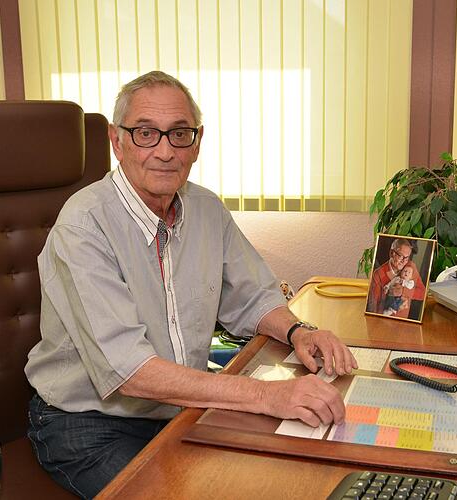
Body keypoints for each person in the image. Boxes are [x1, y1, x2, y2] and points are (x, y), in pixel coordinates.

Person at [24, 70, 357, 498]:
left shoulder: (206, 208)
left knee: (284, 478)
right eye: (146, 133)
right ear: (117, 141)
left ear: (197, 144)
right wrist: (266, 396)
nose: (165, 151)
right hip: (89, 423)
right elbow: (129, 372)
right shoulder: (84, 225)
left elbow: (252, 296)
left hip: (181, 408)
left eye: (179, 134)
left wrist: (298, 332)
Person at [367, 238, 426, 315]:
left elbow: (423, 293)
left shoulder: (410, 267)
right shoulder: (378, 274)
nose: (404, 261)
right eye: (401, 256)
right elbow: (373, 310)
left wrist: (404, 291)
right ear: (392, 253)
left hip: (404, 320)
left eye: (407, 257)